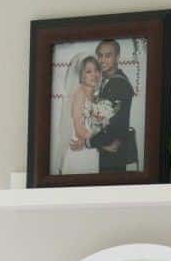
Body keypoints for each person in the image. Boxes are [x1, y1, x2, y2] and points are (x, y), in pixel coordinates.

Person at [88, 39, 137, 172]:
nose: (102, 60)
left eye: (108, 55)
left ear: (118, 57)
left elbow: (115, 126)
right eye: (100, 55)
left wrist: (90, 142)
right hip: (106, 148)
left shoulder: (119, 84)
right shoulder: (104, 81)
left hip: (113, 150)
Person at [58, 54, 103, 176]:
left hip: (90, 147)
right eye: (89, 71)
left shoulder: (96, 96)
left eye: (96, 70)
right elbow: (78, 128)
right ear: (81, 76)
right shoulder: (79, 93)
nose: (94, 74)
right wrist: (98, 141)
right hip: (80, 150)